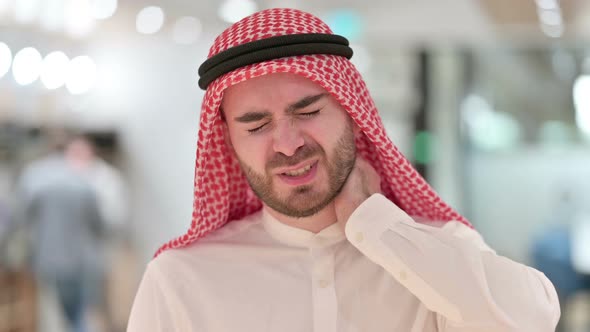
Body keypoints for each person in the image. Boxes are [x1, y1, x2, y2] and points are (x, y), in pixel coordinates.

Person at [128, 8, 560, 331]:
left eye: (309, 111)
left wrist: (372, 223)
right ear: (228, 142)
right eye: (257, 125)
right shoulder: (181, 279)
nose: (288, 143)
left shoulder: (435, 251)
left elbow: (532, 319)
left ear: (353, 114)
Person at [13, 132, 105, 332]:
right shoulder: (82, 178)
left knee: (51, 316)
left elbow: (20, 219)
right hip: (82, 259)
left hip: (47, 260)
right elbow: (98, 224)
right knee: (79, 313)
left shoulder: (33, 177)